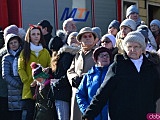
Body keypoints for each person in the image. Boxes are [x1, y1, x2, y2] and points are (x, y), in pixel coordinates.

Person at [82, 31, 160, 120]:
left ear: (142, 49)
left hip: (145, 115)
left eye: (136, 47)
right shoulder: (117, 66)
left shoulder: (150, 67)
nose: (132, 50)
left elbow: (156, 92)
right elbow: (103, 92)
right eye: (129, 46)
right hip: (121, 115)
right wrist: (89, 114)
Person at [18, 25, 51, 120]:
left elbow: (51, 66)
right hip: (29, 89)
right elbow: (20, 68)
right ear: (29, 36)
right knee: (29, 114)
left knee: (41, 115)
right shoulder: (24, 52)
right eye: (33, 34)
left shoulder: (45, 52)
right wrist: (27, 80)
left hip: (43, 88)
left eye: (38, 34)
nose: (36, 36)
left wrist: (46, 72)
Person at [67, 27, 98, 120]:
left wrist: (85, 78)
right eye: (85, 36)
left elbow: (102, 69)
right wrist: (74, 78)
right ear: (80, 40)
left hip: (92, 92)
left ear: (94, 39)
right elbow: (70, 70)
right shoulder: (77, 54)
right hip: (77, 91)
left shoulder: (98, 53)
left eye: (90, 36)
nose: (88, 38)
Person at [76, 46, 112, 120]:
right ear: (96, 59)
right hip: (93, 116)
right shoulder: (89, 75)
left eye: (107, 56)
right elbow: (80, 94)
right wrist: (86, 110)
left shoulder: (113, 74)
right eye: (102, 56)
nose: (105, 57)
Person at [0, 24, 20, 120]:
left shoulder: (21, 54)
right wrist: (19, 84)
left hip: (6, 90)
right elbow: (5, 75)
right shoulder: (5, 56)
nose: (13, 44)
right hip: (9, 89)